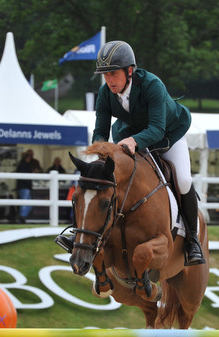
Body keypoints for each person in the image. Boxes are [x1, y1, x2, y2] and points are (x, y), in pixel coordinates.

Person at [56, 40, 205, 265]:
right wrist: (99, 159)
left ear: (129, 71)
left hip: (168, 135)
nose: (109, 80)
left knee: (183, 179)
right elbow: (100, 132)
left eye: (113, 73)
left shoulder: (152, 85)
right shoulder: (106, 93)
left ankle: (193, 240)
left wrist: (134, 141)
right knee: (107, 183)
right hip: (130, 135)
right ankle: (84, 235)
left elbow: (157, 128)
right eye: (105, 75)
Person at [16, 151, 33, 224]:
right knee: (25, 203)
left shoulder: (23, 164)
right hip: (24, 187)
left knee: (28, 203)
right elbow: (24, 177)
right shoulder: (24, 165)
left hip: (25, 187)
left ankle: (22, 217)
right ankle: (22, 217)